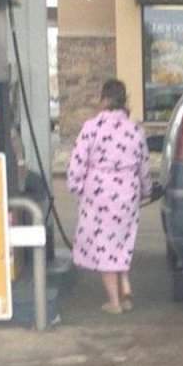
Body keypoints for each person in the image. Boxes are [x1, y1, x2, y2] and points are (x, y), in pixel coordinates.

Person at [67, 79, 152, 314]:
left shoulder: (91, 127)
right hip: (127, 193)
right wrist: (146, 190)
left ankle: (115, 302)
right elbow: (144, 166)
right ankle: (125, 284)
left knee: (104, 246)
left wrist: (76, 186)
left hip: (99, 194)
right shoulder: (135, 130)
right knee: (121, 242)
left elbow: (77, 163)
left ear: (103, 99)